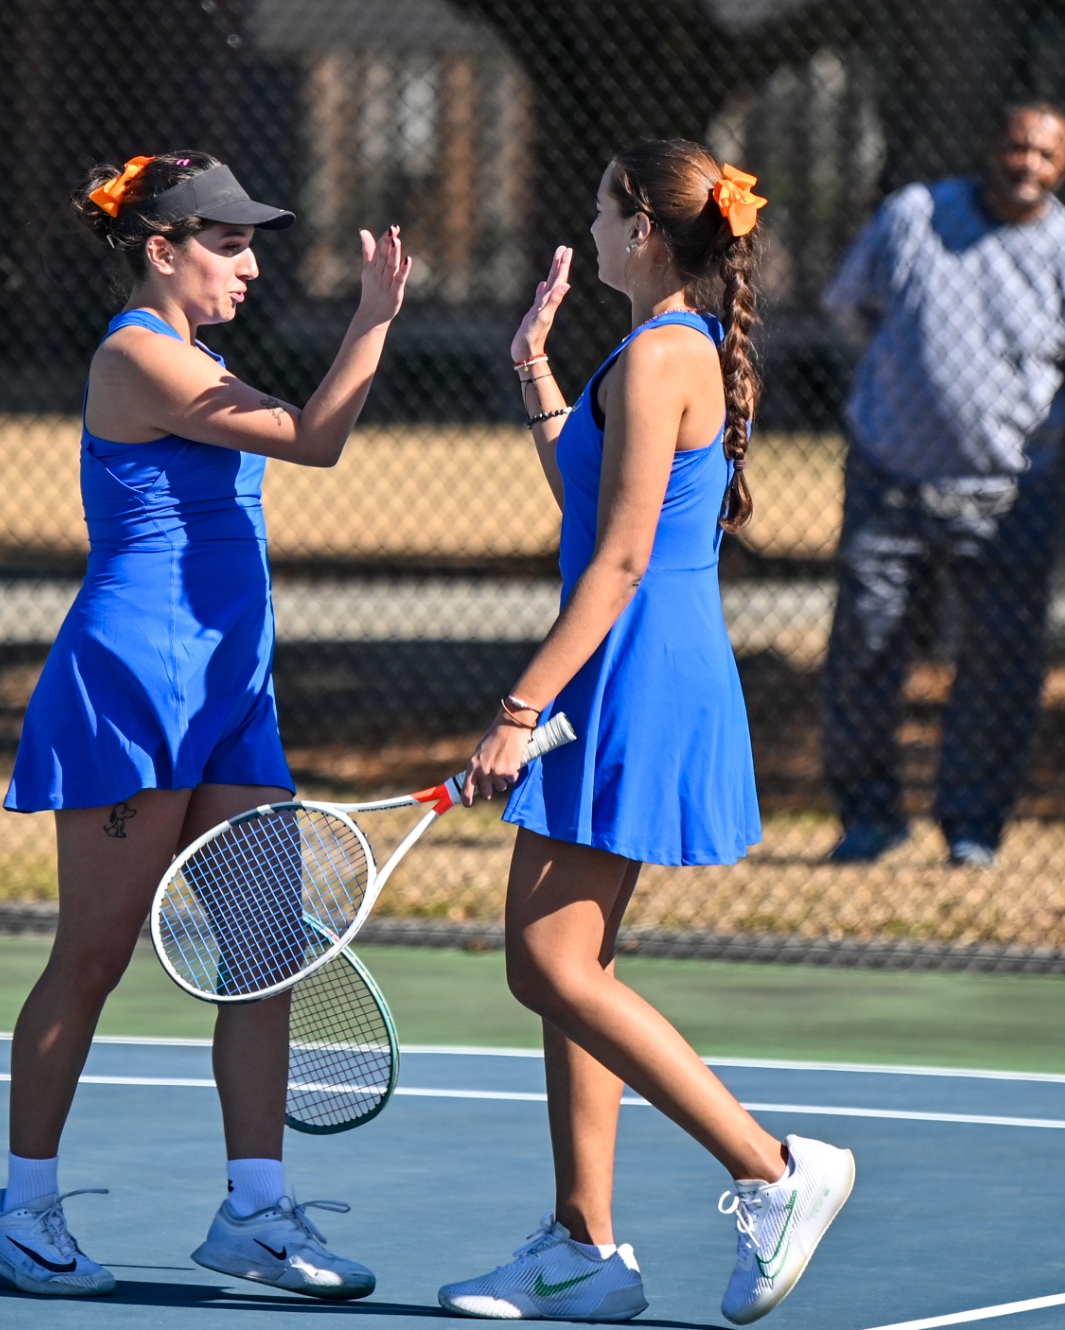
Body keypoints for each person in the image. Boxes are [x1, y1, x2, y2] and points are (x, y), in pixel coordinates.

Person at [0, 150, 411, 1299]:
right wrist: (372, 317)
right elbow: (315, 437)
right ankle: (21, 1210)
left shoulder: (197, 357)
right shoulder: (137, 354)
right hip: (135, 684)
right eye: (228, 243)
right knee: (97, 954)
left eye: (252, 241)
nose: (251, 264)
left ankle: (255, 1213)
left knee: (266, 951)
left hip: (230, 690)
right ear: (161, 251)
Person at [435, 141, 853, 1326]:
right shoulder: (652, 351)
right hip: (620, 666)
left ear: (643, 235)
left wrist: (518, 708)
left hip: (632, 672)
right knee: (567, 967)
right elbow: (595, 508)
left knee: (548, 963)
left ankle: (772, 1172)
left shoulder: (667, 354)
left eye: (603, 205)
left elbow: (619, 561)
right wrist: (532, 370)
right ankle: (583, 1244)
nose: (591, 220)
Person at [818, 101, 1065, 867]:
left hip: (1007, 498)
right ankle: (869, 817)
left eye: (1046, 155)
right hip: (889, 480)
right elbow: (848, 307)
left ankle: (972, 827)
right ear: (993, 146)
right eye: (1017, 145)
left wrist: (1019, 418)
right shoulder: (916, 217)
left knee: (999, 664)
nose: (1027, 163)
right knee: (865, 646)